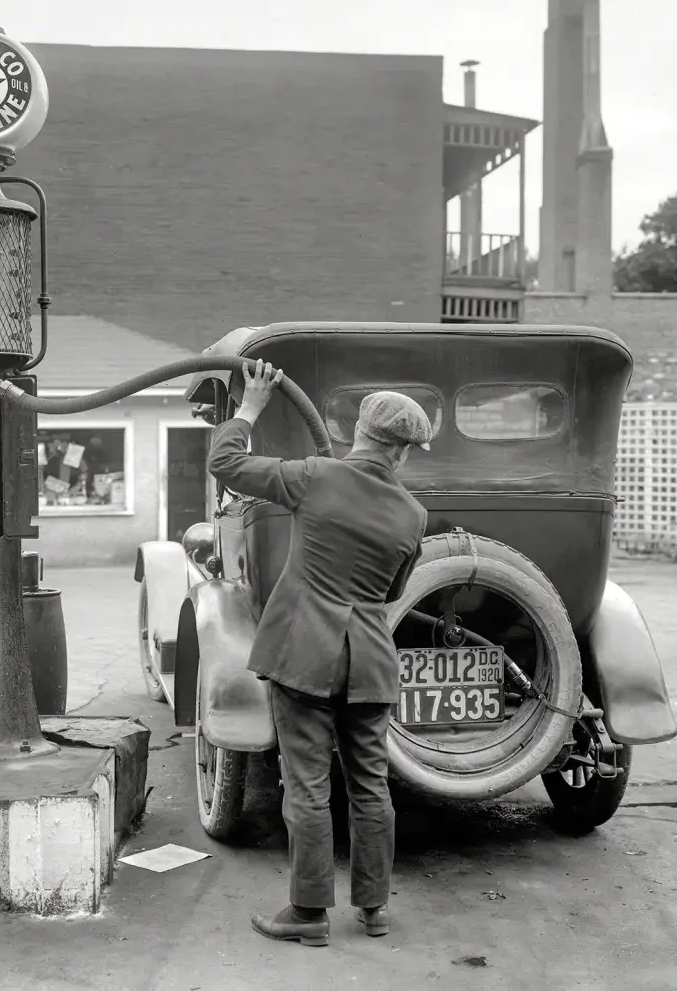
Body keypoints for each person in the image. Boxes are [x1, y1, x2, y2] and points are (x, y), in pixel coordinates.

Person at [206, 360, 431, 948]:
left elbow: (224, 464)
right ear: (404, 453)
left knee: (307, 785)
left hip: (304, 656)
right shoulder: (413, 514)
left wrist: (249, 408)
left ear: (359, 432)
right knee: (370, 785)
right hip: (372, 663)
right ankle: (374, 909)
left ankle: (307, 914)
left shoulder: (314, 477)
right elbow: (392, 592)